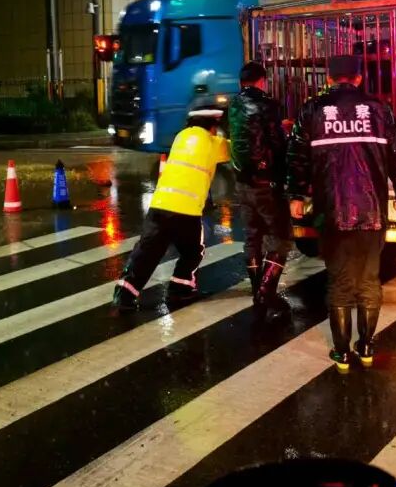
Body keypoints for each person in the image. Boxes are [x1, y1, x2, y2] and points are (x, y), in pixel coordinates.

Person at [287, 55, 396, 371]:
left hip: (331, 212)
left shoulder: (313, 110)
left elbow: (296, 156)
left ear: (329, 79)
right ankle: (367, 346)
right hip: (371, 212)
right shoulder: (379, 109)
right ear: (359, 78)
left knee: (339, 281)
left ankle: (342, 351)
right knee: (369, 279)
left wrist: (296, 195)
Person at [113, 105, 230, 310]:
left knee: (146, 251)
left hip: (160, 205)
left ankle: (124, 295)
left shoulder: (180, 138)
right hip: (187, 211)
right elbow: (239, 149)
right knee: (193, 251)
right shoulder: (212, 143)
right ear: (212, 126)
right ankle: (180, 290)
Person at [228, 60, 295, 315]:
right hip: (266, 182)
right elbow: (277, 143)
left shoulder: (233, 104)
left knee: (253, 236)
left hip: (242, 181)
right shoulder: (268, 105)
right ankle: (266, 294)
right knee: (281, 238)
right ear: (262, 81)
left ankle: (258, 290)